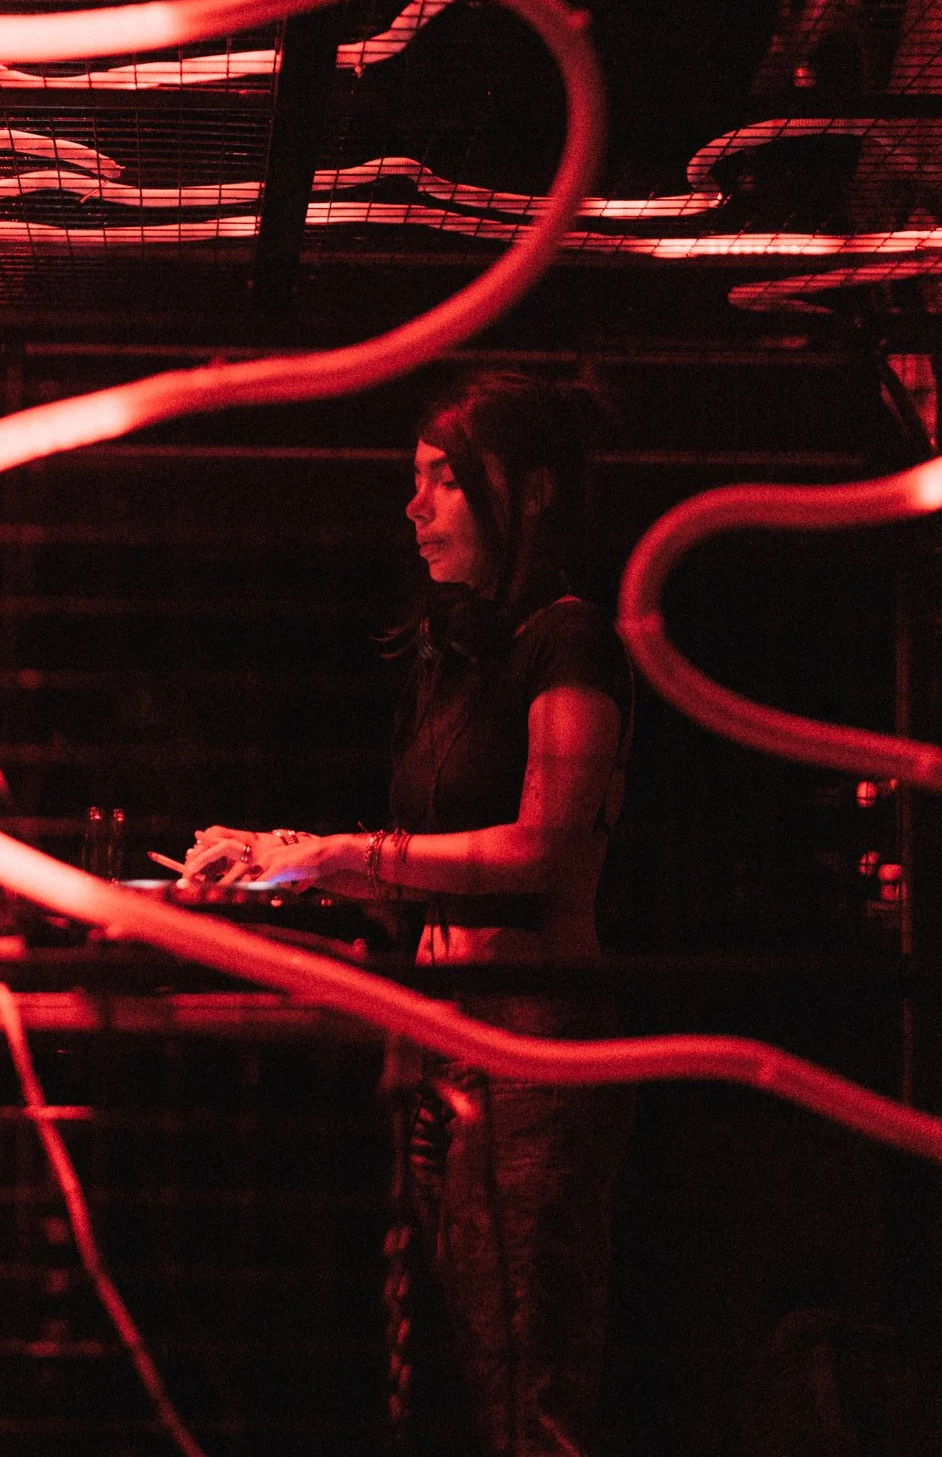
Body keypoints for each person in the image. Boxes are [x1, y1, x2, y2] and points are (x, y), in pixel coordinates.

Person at [183, 369, 634, 1457]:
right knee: (466, 1350)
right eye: (414, 481)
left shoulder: (568, 641)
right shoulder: (457, 652)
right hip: (443, 1045)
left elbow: (540, 849)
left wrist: (345, 854)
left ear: (524, 494)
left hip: (533, 1054)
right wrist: (284, 862)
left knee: (530, 1363)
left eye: (441, 481)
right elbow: (429, 866)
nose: (414, 507)